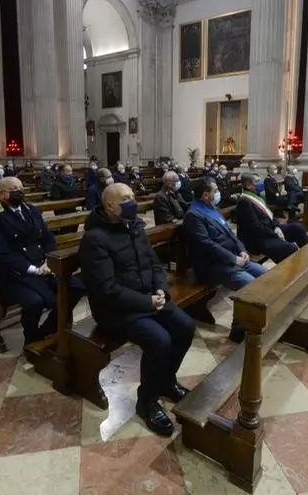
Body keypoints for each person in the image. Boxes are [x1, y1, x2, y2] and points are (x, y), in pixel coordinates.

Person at [79, 182, 195, 437]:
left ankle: (166, 381)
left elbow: (154, 264)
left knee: (186, 327)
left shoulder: (135, 227)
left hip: (147, 298)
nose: (132, 202)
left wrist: (161, 290)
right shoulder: (95, 238)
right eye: (125, 199)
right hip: (114, 309)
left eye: (133, 196)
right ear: (109, 205)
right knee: (159, 340)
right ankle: (147, 401)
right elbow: (106, 288)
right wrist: (147, 302)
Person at [0, 177, 80, 347]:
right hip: (12, 273)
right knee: (36, 301)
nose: (19, 192)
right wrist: (32, 269)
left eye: (21, 187)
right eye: (14, 189)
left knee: (77, 287)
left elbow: (47, 238)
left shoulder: (31, 210)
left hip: (42, 265)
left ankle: (47, 331)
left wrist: (50, 261)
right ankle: (32, 339)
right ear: (3, 194)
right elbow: (0, 253)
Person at [184, 177, 267, 343]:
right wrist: (234, 259)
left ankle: (256, 319)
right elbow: (206, 245)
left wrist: (242, 251)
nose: (218, 193)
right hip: (212, 265)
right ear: (205, 195)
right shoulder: (193, 215)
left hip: (233, 259)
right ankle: (238, 331)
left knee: (266, 275)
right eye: (215, 191)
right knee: (249, 284)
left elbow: (230, 233)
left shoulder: (212, 209)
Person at [236, 174, 308, 263]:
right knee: (290, 248)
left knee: (297, 228)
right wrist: (274, 234)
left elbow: (270, 215)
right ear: (248, 185)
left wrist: (277, 227)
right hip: (258, 238)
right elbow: (255, 226)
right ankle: (293, 274)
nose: (260, 184)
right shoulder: (244, 201)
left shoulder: (256, 196)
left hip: (269, 230)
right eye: (257, 182)